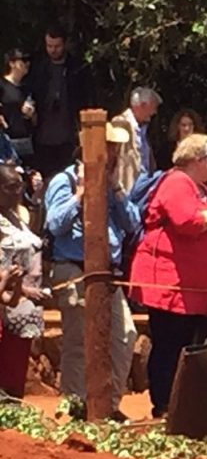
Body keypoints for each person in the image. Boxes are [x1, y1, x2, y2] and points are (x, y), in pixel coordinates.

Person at [129, 134, 207, 417]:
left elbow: (204, 222)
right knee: (169, 342)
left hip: (194, 286)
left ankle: (183, 405)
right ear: (197, 160)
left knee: (186, 342)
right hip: (169, 283)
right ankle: (164, 405)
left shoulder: (200, 187)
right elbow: (187, 222)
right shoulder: (177, 182)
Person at [44, 122, 140, 415]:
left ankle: (107, 406)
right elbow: (55, 224)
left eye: (114, 147)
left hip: (106, 273)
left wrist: (117, 189)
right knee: (77, 340)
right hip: (74, 269)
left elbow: (133, 224)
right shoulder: (65, 180)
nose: (111, 152)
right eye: (107, 145)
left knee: (125, 335)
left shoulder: (113, 185)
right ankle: (75, 405)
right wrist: (81, 194)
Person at [0, 164, 45, 397]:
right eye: (10, 187)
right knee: (6, 369)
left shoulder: (17, 216)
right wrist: (23, 288)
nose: (17, 192)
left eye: (19, 186)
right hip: (6, 305)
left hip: (23, 305)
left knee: (17, 368)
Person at [28, 24, 93, 178]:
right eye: (49, 46)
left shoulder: (77, 67)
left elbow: (87, 97)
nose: (53, 50)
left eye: (57, 46)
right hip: (42, 135)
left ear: (64, 44)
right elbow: (29, 91)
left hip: (69, 135)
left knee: (68, 176)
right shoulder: (38, 66)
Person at [111, 87, 162, 193]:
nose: (154, 112)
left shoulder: (142, 129)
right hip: (127, 188)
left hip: (143, 186)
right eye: (153, 107)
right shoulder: (121, 123)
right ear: (143, 105)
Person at [1, 49, 36, 165]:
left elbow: (35, 120)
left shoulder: (26, 88)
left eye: (29, 60)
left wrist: (31, 114)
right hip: (7, 141)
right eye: (24, 60)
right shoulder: (2, 85)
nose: (27, 64)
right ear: (12, 63)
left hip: (26, 140)